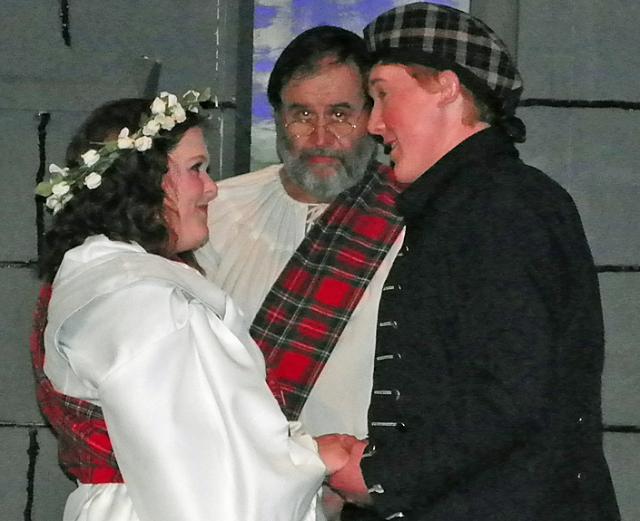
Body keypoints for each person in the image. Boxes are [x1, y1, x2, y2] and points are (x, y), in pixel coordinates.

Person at [329, 3, 622, 520]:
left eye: (383, 94)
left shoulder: (500, 205)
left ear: (446, 87)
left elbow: (510, 393)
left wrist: (381, 475)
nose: (374, 123)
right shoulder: (471, 201)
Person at [33, 92, 360, 521]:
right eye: (196, 169)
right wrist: (314, 461)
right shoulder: (143, 303)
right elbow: (206, 480)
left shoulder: (100, 278)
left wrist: (303, 456)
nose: (211, 189)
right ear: (142, 182)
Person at [195, 24, 403, 462]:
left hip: (365, 478)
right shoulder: (213, 214)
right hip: (242, 474)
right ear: (277, 118)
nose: (321, 137)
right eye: (303, 115)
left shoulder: (413, 219)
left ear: (374, 117)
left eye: (340, 115)